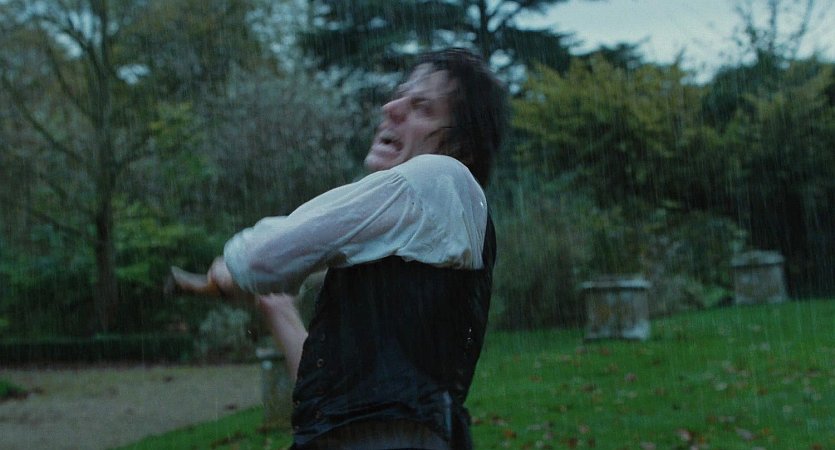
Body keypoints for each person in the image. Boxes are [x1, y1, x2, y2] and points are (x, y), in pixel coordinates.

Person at [189, 48, 507, 450]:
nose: (390, 108)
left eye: (422, 107)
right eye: (399, 96)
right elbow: (337, 407)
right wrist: (278, 309)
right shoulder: (416, 245)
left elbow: (261, 258)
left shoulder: (442, 175)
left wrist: (234, 266)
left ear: (463, 149)